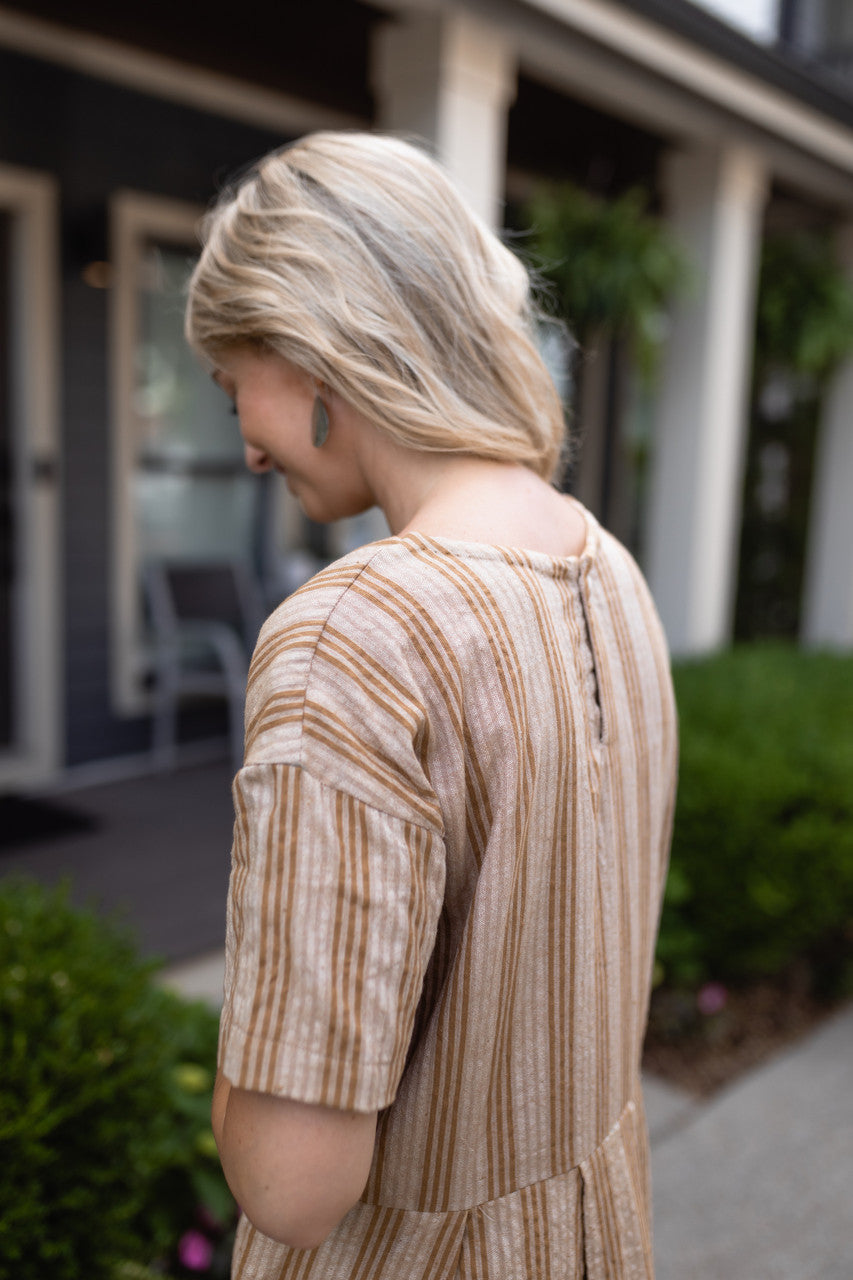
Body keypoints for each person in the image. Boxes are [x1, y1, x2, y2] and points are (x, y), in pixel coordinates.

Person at [185, 131, 678, 1280]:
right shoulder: (609, 565)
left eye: (229, 385)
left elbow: (290, 1184)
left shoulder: (350, 635)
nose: (248, 449)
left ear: (310, 348)